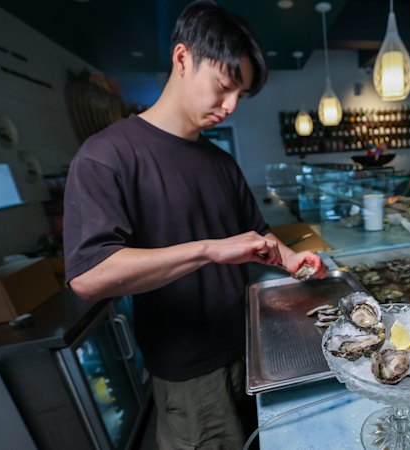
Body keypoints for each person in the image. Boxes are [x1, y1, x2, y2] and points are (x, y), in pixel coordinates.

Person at [62, 2, 327, 448]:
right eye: (224, 87)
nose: (231, 106)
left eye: (240, 95)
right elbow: (89, 276)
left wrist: (290, 259)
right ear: (183, 58)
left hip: (251, 348)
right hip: (190, 373)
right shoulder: (107, 155)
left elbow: (257, 234)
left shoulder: (221, 163)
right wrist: (207, 249)